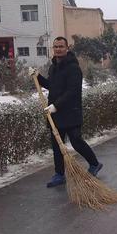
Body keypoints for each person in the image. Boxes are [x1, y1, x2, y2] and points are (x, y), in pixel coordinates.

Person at [30, 37, 103, 188]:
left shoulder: (73, 68)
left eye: (61, 46)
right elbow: (52, 85)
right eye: (55, 46)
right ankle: (59, 174)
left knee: (76, 141)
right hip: (55, 114)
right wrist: (38, 77)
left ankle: (94, 164)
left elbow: (73, 91)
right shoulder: (54, 67)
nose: (58, 49)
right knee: (57, 145)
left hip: (71, 112)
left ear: (67, 48)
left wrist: (56, 105)